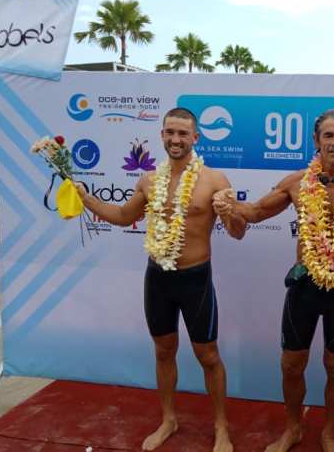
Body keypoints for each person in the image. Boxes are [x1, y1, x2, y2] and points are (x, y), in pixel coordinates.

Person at [213, 109, 334, 452]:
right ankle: (293, 428)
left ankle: (328, 432)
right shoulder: (297, 181)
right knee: (291, 364)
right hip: (304, 286)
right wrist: (228, 205)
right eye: (329, 136)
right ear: (316, 141)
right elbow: (255, 213)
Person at [77, 107, 245, 452]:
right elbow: (124, 216)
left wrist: (232, 214)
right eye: (170, 132)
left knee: (208, 355)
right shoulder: (150, 180)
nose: (176, 139)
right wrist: (85, 198)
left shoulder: (215, 180)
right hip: (157, 277)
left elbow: (238, 232)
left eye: (183, 133)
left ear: (195, 138)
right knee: (164, 350)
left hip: (196, 279)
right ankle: (168, 419)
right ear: (162, 135)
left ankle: (221, 427)